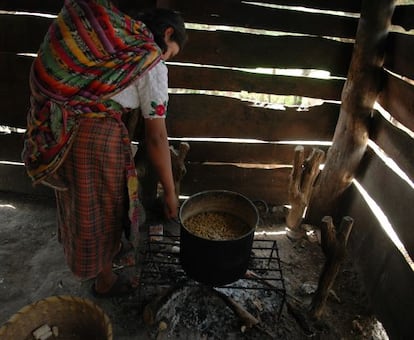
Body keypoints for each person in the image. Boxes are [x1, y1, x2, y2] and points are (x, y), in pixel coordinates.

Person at [21, 0, 187, 297]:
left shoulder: (116, 42)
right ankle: (104, 280)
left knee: (80, 205)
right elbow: (157, 138)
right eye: (171, 53)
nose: (166, 60)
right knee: (101, 211)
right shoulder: (150, 59)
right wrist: (171, 193)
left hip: (63, 130)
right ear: (168, 33)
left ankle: (103, 273)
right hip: (95, 138)